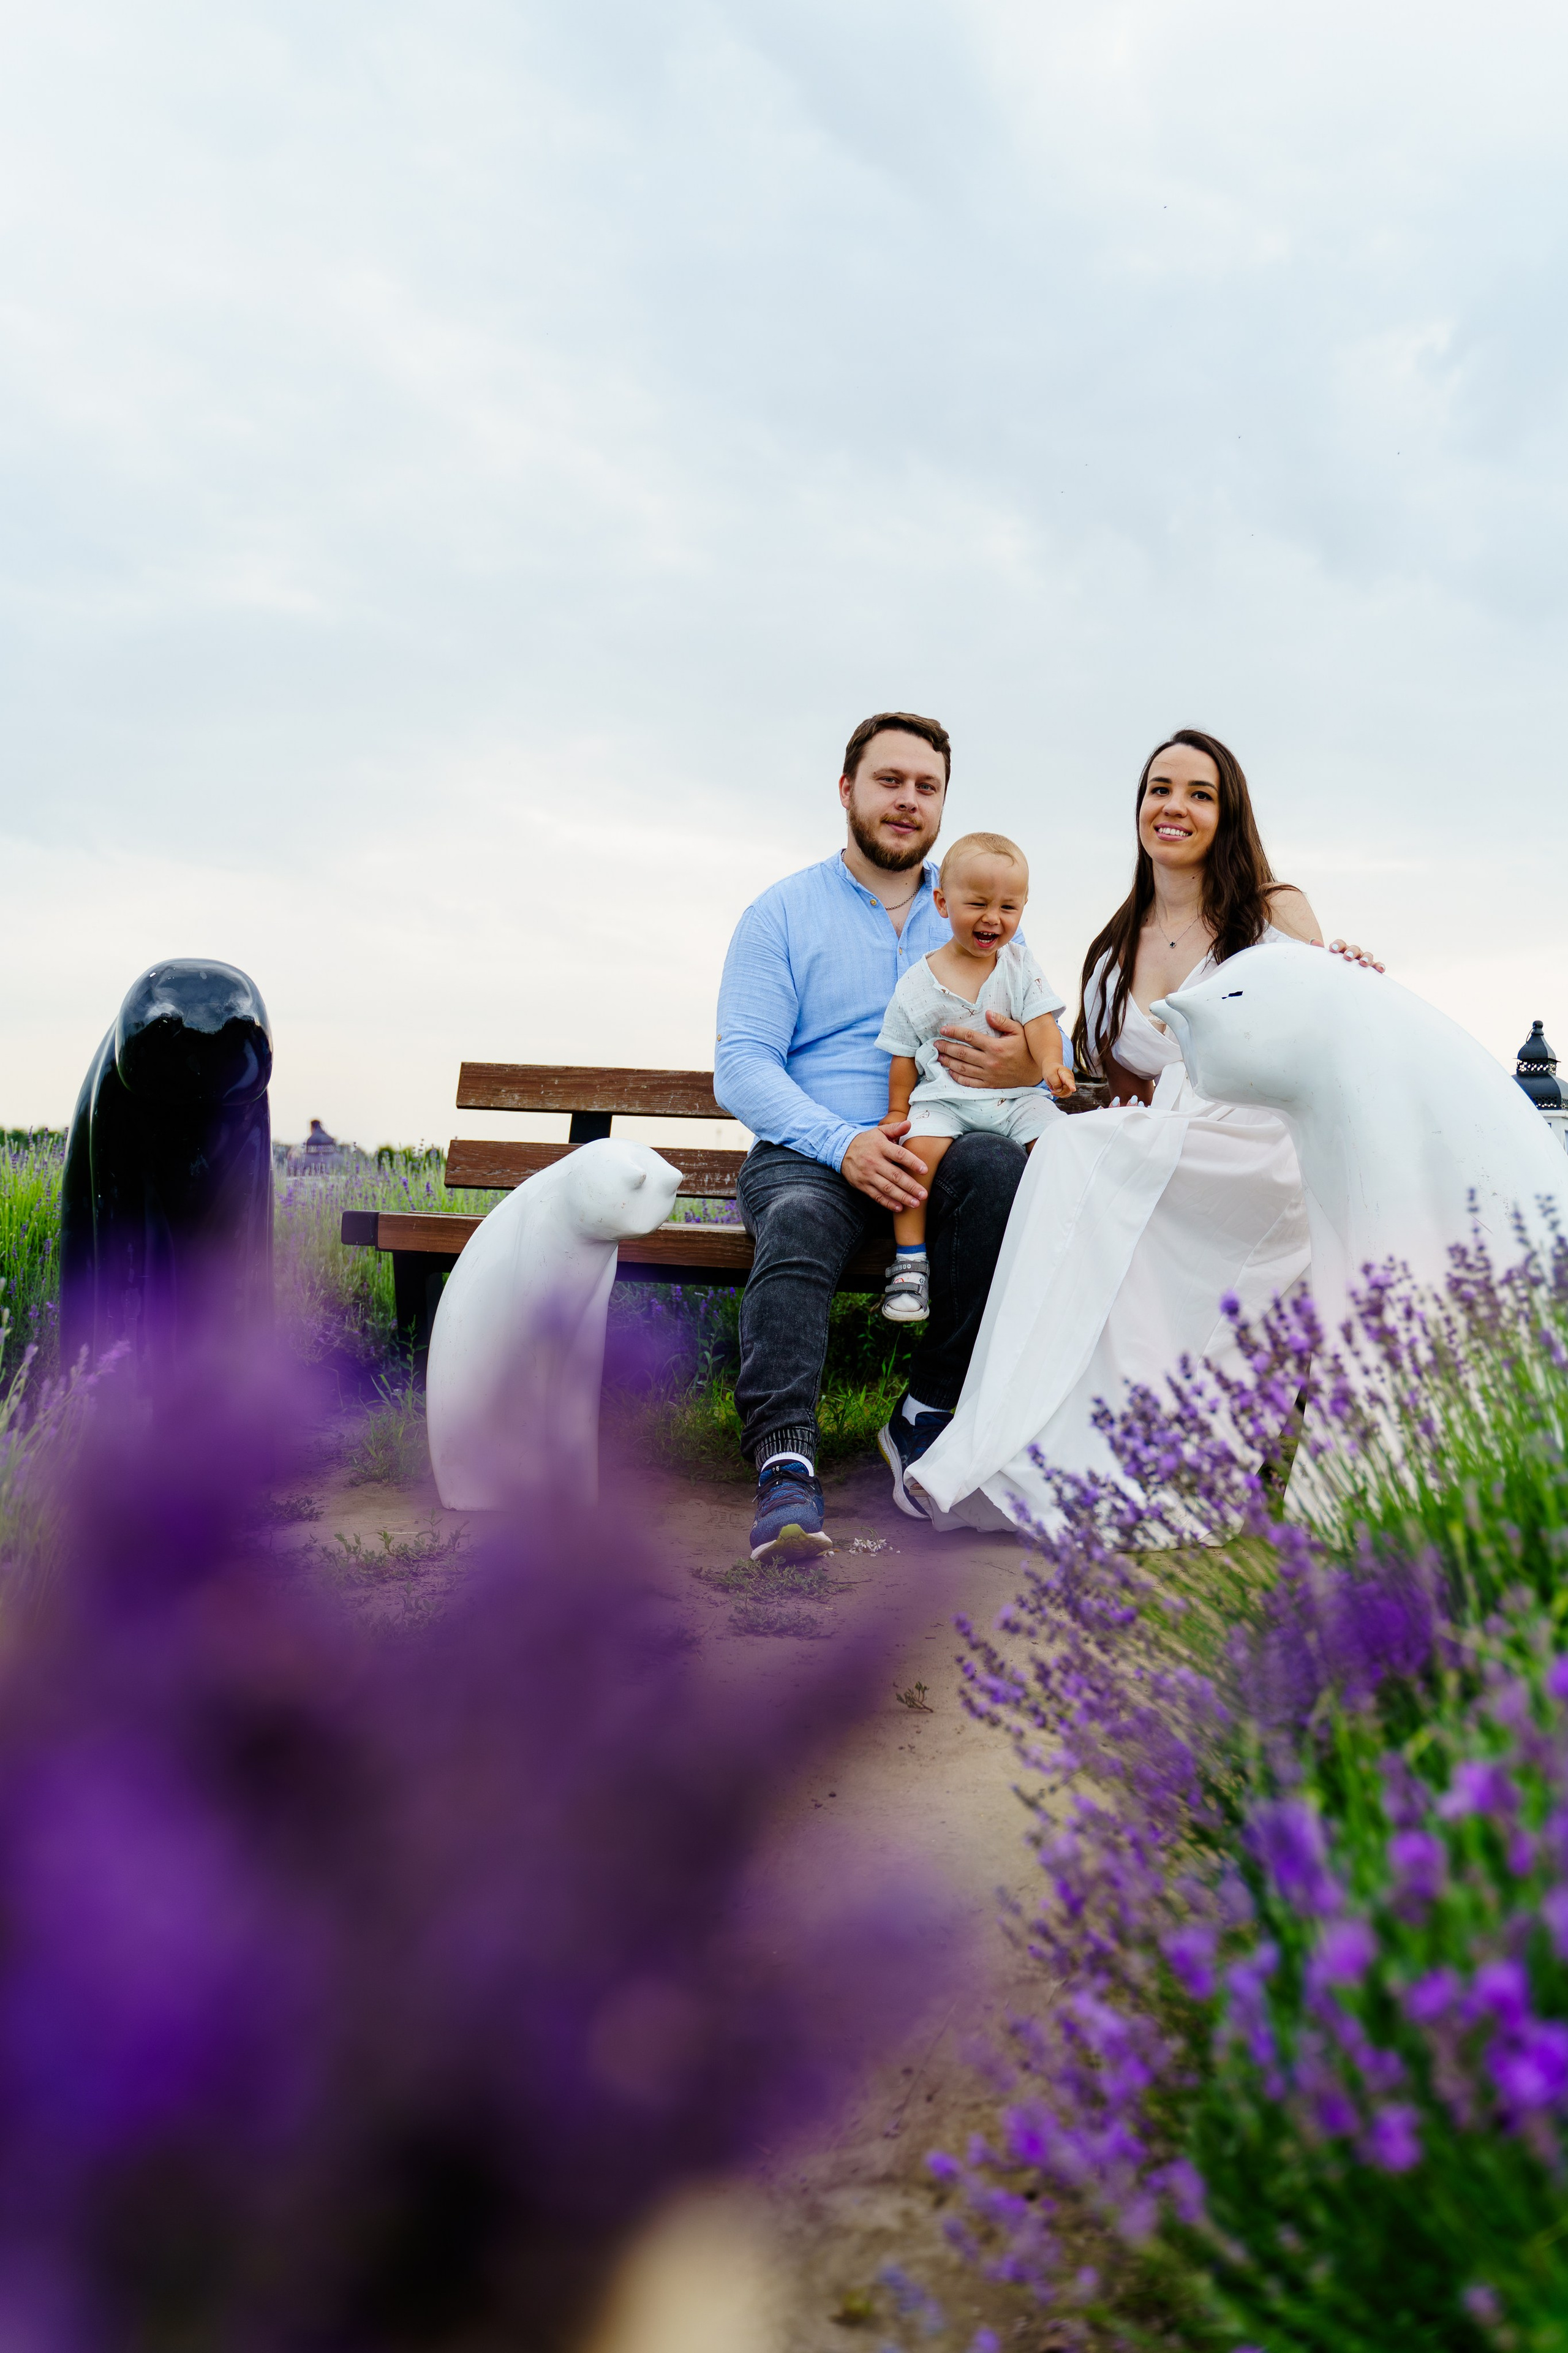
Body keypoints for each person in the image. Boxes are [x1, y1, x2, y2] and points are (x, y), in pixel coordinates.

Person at [909, 728, 1383, 1532]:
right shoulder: (1110, 952)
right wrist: (1023, 1075)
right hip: (1168, 1146)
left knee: (1072, 1153)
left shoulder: (1271, 911)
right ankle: (1034, 1446)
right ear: (1139, 806)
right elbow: (1111, 1097)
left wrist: (1355, 980)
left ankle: (987, 1424)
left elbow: (1327, 1038)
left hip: (1260, 1148)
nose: (1176, 806)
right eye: (1161, 788)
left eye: (1201, 794)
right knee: (1078, 1154)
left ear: (1227, 816)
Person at [714, 712, 1044, 1562]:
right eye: (889, 781)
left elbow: (1035, 1052)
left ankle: (927, 1415)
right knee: (793, 1217)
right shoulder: (781, 912)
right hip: (814, 1155)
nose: (907, 801)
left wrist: (1018, 1064)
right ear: (847, 789)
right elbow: (744, 1066)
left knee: (1001, 1169)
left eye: (925, 787)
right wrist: (844, 1144)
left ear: (942, 803)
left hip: (948, 1143)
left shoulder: (978, 911)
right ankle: (787, 1461)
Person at [874, 831, 1076, 1324]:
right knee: (915, 1156)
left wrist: (1051, 1066)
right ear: (943, 903)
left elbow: (1042, 1026)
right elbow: (902, 1056)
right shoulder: (918, 983)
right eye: (978, 903)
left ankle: (1065, 1249)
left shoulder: (1020, 966)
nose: (993, 918)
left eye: (1009, 907)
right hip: (944, 1098)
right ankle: (910, 1261)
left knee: (1061, 1146)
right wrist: (899, 1111)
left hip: (1015, 1097)